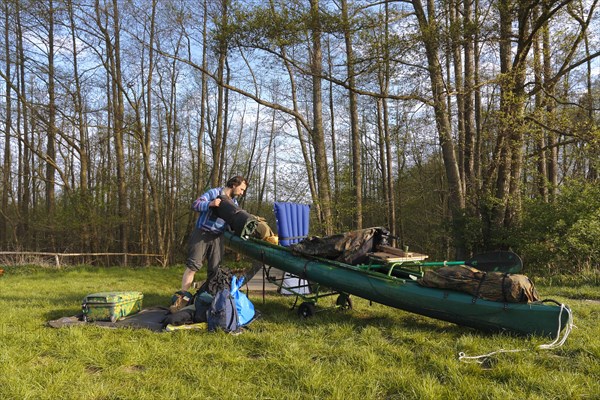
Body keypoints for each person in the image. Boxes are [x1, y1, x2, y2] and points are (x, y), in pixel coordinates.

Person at [171, 176, 248, 312]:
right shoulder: (214, 193)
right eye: (241, 189)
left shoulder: (234, 203)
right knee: (192, 267)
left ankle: (209, 301)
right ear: (234, 184)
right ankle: (182, 300)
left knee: (215, 270)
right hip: (202, 233)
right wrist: (210, 204)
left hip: (218, 237)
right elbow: (195, 204)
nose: (242, 192)